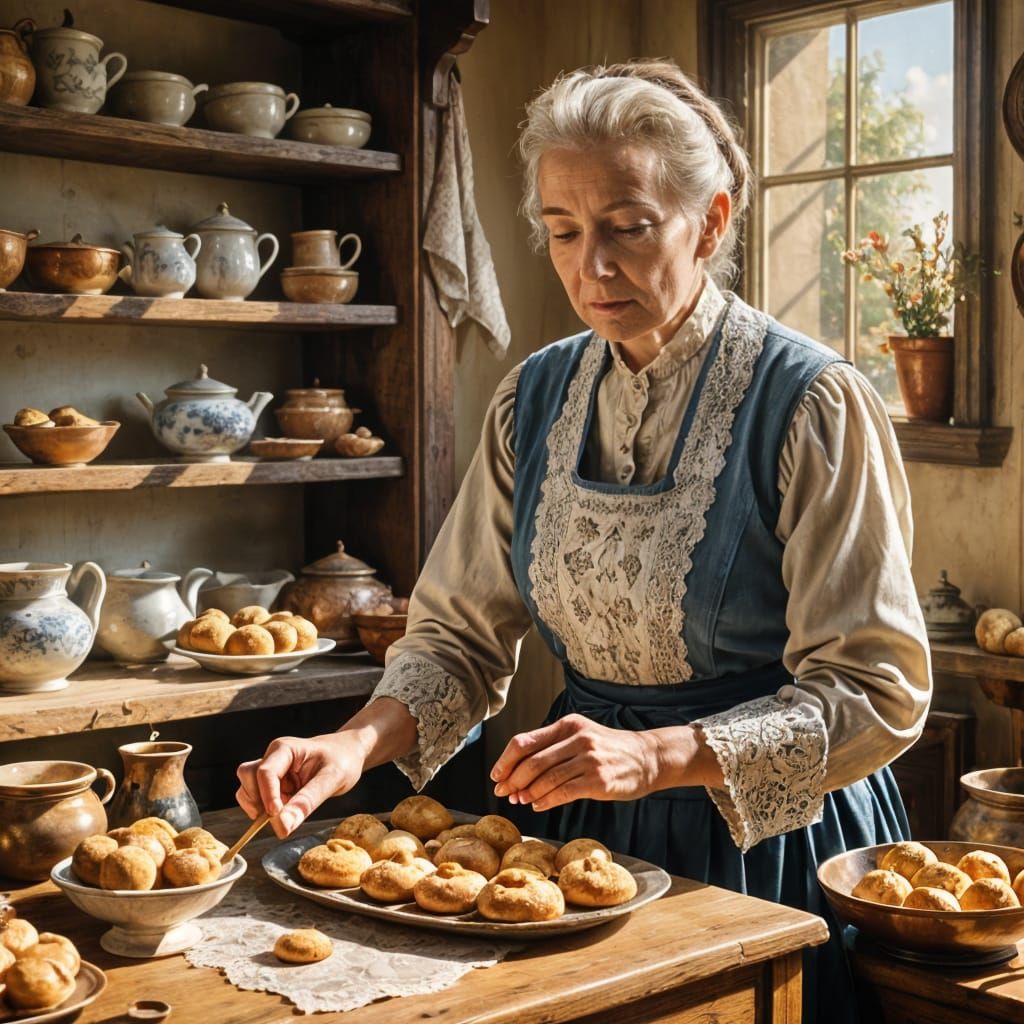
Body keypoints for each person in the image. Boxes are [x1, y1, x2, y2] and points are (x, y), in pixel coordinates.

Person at [236, 59, 931, 1023]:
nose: (590, 266)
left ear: (712, 221)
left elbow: (877, 690)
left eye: (628, 227)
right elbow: (457, 639)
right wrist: (354, 744)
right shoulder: (535, 398)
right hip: (576, 836)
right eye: (563, 231)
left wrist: (655, 756)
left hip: (764, 844)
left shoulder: (812, 404)